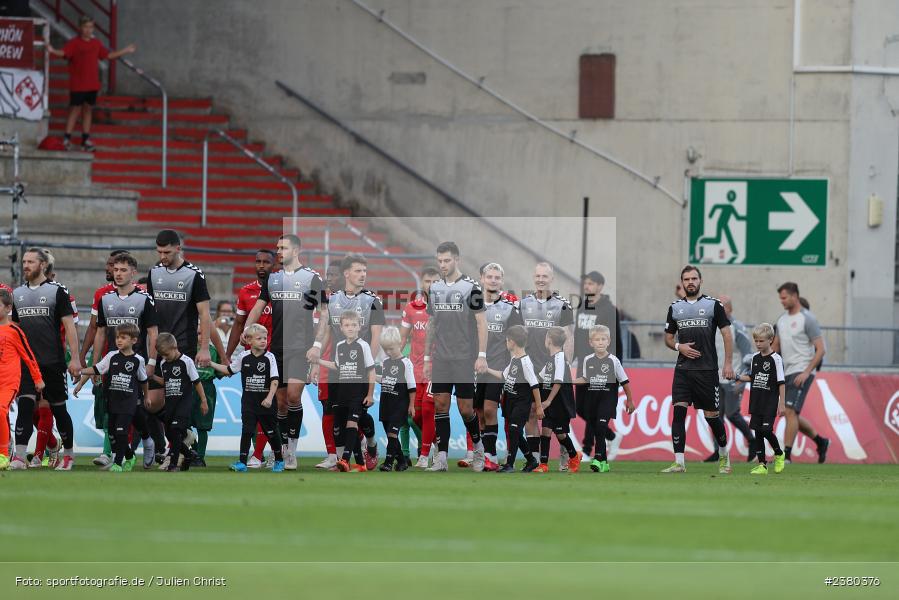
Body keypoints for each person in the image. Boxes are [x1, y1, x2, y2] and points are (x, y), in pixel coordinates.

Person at [245, 234, 325, 470]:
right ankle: (278, 450)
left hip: (301, 348)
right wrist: (248, 330)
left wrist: (317, 346)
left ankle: (291, 451)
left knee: (292, 397)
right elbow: (258, 308)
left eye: (283, 248)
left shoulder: (311, 278)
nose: (278, 251)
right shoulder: (273, 279)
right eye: (277, 247)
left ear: (297, 250)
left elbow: (324, 314)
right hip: (276, 348)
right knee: (279, 403)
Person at [146, 230, 223, 465]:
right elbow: (150, 314)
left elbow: (204, 314)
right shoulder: (154, 272)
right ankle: (185, 437)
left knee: (176, 399)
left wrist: (202, 348)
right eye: (159, 252)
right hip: (158, 347)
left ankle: (177, 450)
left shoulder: (194, 275)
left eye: (167, 252)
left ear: (178, 249)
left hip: (183, 347)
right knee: (152, 402)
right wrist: (150, 356)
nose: (162, 256)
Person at [309, 254, 385, 470]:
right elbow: (325, 333)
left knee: (359, 414)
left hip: (360, 370)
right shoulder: (332, 301)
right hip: (336, 369)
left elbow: (376, 337)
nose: (362, 275)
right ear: (347, 273)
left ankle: (370, 444)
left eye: (365, 271)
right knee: (337, 414)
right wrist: (316, 361)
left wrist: (366, 366)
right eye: (358, 271)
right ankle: (342, 460)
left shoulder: (373, 301)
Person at [9, 248, 81, 471]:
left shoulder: (57, 292)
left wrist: (75, 359)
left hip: (52, 362)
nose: (26, 265)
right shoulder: (17, 294)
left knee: (59, 410)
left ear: (43, 265)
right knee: (25, 408)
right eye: (24, 261)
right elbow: (15, 330)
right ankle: (20, 456)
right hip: (27, 364)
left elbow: (69, 326)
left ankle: (68, 455)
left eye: (31, 262)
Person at [422, 241, 488, 472]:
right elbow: (432, 323)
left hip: (464, 357)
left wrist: (481, 355)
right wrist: (428, 359)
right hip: (441, 357)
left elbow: (481, 322)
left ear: (457, 259)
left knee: (465, 409)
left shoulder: (472, 288)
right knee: (440, 405)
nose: (443, 265)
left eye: (447, 260)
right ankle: (441, 458)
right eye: (439, 261)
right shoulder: (436, 288)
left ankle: (478, 447)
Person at [662, 265, 734, 474]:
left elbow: (727, 335)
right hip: (683, 370)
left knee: (712, 416)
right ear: (682, 282)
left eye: (694, 278)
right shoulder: (675, 308)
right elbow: (668, 338)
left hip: (707, 370)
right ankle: (679, 462)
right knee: (678, 413)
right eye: (686, 279)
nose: (690, 282)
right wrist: (679, 346)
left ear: (700, 281)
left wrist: (727, 364)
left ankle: (723, 456)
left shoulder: (714, 305)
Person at [93, 252, 158, 469]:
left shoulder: (143, 299)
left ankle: (128, 452)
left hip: (136, 363)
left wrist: (151, 362)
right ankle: (141, 444)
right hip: (113, 363)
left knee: (133, 408)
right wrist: (95, 366)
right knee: (121, 411)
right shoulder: (105, 299)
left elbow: (152, 332)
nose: (117, 274)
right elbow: (100, 333)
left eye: (123, 270)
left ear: (133, 273)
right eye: (116, 270)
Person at [48, 16, 136, 151]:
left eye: (91, 27)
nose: (88, 30)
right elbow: (64, 53)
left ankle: (85, 140)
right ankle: (66, 139)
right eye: (86, 27)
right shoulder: (74, 43)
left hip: (92, 84)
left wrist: (125, 50)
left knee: (88, 110)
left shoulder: (96, 43)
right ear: (80, 27)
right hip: (78, 84)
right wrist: (53, 50)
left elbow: (108, 55)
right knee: (75, 110)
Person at [226, 249, 277, 469]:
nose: (262, 265)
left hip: (275, 355)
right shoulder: (246, 291)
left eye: (267, 262)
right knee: (255, 406)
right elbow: (238, 324)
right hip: (251, 358)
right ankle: (258, 454)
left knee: (276, 405)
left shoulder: (281, 290)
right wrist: (228, 354)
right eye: (258, 261)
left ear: (274, 265)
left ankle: (269, 454)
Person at [74, 324, 148, 472]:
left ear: (134, 340)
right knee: (113, 434)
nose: (119, 340)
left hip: (129, 403)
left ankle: (118, 464)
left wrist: (146, 397)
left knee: (121, 432)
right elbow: (96, 369)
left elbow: (143, 380)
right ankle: (129, 455)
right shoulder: (111, 356)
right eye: (117, 337)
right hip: (112, 401)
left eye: (123, 338)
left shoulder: (138, 360)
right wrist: (80, 371)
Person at [210, 324, 284, 473]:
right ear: (249, 340)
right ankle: (242, 462)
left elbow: (275, 380)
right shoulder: (243, 357)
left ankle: (279, 460)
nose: (263, 341)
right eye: (259, 338)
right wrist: (210, 363)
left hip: (266, 403)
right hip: (249, 403)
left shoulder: (270, 357)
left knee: (271, 432)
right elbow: (229, 370)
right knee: (247, 431)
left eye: (265, 338)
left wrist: (269, 398)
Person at [519, 262, 573, 462]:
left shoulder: (562, 305)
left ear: (552, 279)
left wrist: (565, 365)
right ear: (534, 278)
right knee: (531, 412)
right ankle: (534, 459)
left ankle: (565, 453)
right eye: (538, 276)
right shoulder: (523, 304)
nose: (541, 279)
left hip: (552, 368)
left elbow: (569, 337)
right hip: (530, 368)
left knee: (555, 414)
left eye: (545, 276)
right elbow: (519, 336)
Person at [79, 249, 128, 468]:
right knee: (109, 408)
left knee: (140, 410)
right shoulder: (101, 294)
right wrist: (88, 358)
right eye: (110, 266)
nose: (109, 269)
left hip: (133, 359)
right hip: (109, 360)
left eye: (114, 266)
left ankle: (149, 446)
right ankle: (109, 453)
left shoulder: (141, 294)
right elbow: (94, 328)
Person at [474, 262, 522, 471]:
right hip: (474, 365)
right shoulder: (473, 304)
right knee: (479, 413)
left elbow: (518, 338)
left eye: (497, 277)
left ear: (502, 281)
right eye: (489, 276)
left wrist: (512, 365)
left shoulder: (510, 307)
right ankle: (484, 454)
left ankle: (490, 457)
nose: (493, 280)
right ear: (482, 279)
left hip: (497, 366)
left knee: (490, 408)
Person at [774, 282, 829, 463]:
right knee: (792, 414)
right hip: (787, 371)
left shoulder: (808, 319)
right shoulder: (781, 320)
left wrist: (806, 372)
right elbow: (775, 347)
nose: (781, 301)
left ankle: (786, 456)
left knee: (789, 411)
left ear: (794, 296)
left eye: (784, 297)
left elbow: (821, 349)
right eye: (780, 298)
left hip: (802, 371)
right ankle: (820, 441)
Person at [314, 311, 376, 472]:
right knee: (340, 426)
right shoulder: (340, 346)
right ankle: (359, 463)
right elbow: (337, 366)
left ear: (359, 327)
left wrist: (370, 394)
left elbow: (371, 371)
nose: (350, 328)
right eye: (347, 325)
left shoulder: (363, 346)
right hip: (343, 393)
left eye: (353, 325)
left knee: (352, 424)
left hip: (358, 393)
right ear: (341, 328)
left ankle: (345, 461)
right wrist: (319, 360)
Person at [573, 271, 620, 461]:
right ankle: (611, 436)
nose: (587, 287)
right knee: (581, 409)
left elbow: (616, 340)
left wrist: (614, 368)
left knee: (592, 409)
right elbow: (577, 334)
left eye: (591, 284)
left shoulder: (609, 309)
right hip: (583, 365)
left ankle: (586, 450)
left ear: (600, 286)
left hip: (602, 367)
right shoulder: (582, 306)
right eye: (586, 283)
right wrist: (573, 356)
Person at [575, 325, 635, 472]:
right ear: (591, 343)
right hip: (592, 400)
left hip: (607, 399)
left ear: (609, 341)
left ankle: (597, 458)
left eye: (603, 339)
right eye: (597, 339)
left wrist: (630, 400)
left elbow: (624, 381)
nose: (600, 342)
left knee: (601, 427)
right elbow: (585, 378)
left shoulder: (613, 361)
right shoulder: (588, 360)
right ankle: (604, 463)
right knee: (597, 429)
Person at [704, 295, 756, 463]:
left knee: (733, 414)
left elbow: (748, 355)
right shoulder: (712, 327)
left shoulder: (737, 328)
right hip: (715, 378)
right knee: (715, 416)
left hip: (734, 377)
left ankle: (752, 440)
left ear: (729, 309)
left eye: (722, 306)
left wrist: (743, 379)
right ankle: (718, 451)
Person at [484, 325, 540, 473]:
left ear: (512, 342)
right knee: (514, 431)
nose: (506, 343)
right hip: (511, 402)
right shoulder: (515, 359)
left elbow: (534, 384)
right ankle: (531, 460)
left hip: (521, 403)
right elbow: (504, 376)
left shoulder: (525, 362)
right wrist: (487, 369)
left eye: (507, 340)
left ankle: (510, 463)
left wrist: (539, 407)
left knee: (514, 430)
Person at [400, 265, 440, 468]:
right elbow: (403, 337)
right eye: (427, 282)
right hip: (415, 368)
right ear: (421, 283)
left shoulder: (444, 308)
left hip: (437, 367)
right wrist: (395, 359)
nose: (431, 286)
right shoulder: (411, 308)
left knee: (427, 410)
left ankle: (424, 454)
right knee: (413, 414)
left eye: (435, 282)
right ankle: (435, 445)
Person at [0, 289, 44, 471]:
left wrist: (37, 378)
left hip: (8, 382)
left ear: (8, 307)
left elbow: (28, 356)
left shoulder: (14, 331)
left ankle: (3, 455)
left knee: (0, 411)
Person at [151, 333, 206, 472]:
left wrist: (203, 401)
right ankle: (188, 455)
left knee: (175, 432)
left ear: (174, 347)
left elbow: (197, 382)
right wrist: (152, 377)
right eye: (162, 355)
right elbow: (166, 382)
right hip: (170, 405)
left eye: (166, 354)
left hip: (183, 404)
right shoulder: (164, 364)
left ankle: (173, 465)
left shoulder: (186, 362)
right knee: (170, 435)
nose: (164, 357)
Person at [737, 323, 786, 475]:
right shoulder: (755, 358)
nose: (758, 344)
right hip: (756, 400)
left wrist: (782, 403)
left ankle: (779, 453)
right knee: (758, 432)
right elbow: (752, 377)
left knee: (766, 430)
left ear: (770, 340)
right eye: (756, 341)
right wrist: (737, 377)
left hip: (770, 401)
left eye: (761, 341)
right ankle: (762, 465)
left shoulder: (776, 359)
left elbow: (781, 382)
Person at [535, 327, 580, 473]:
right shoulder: (551, 359)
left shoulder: (560, 358)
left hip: (560, 403)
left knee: (560, 433)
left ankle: (574, 456)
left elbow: (558, 381)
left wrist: (547, 401)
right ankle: (543, 464)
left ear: (549, 340)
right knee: (545, 431)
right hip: (550, 403)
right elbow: (540, 377)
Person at [377, 326, 416, 471]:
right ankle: (401, 461)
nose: (388, 352)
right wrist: (372, 376)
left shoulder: (406, 363)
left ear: (400, 344)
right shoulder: (386, 362)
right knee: (390, 435)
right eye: (385, 349)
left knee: (393, 433)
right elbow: (385, 379)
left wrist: (411, 406)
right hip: (386, 404)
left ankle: (388, 462)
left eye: (391, 348)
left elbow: (412, 386)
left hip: (400, 405)